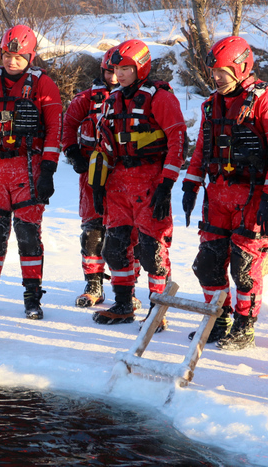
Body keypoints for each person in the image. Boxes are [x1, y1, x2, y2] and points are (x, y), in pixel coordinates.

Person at [181, 36, 268, 350]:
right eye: (213, 71)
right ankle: (218, 320)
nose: (216, 77)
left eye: (222, 71)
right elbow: (203, 147)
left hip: (252, 195)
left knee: (244, 265)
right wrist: (191, 184)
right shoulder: (211, 103)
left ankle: (245, 326)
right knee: (207, 263)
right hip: (216, 194)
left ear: (241, 67)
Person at [0, 24, 63, 320]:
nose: (11, 61)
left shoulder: (44, 85)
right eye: (7, 54)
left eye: (18, 56)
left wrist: (49, 170)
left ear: (30, 56)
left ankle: (32, 296)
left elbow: (54, 130)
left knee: (28, 235)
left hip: (27, 169)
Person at [91, 39, 186, 328]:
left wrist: (166, 183)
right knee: (114, 247)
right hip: (118, 182)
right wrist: (97, 185)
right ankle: (122, 304)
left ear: (141, 67)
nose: (119, 75)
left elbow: (177, 141)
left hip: (149, 180)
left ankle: (158, 312)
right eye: (116, 69)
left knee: (152, 250)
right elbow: (104, 144)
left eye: (126, 69)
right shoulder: (111, 100)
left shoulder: (160, 98)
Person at [62, 46, 118, 307]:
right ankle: (93, 284)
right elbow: (68, 124)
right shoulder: (86, 98)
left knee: (125, 232)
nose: (115, 76)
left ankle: (124, 287)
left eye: (120, 70)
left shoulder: (142, 98)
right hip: (92, 172)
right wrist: (73, 153)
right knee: (92, 230)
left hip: (127, 174)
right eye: (110, 71)